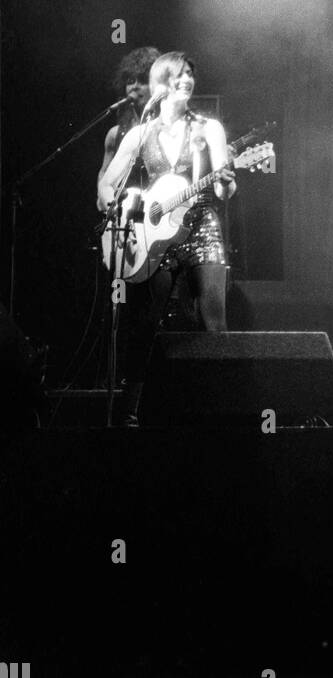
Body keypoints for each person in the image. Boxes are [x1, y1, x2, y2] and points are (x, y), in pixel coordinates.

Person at [98, 52, 236, 426]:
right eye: (179, 74)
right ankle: (128, 411)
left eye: (190, 73)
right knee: (146, 321)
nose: (187, 79)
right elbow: (107, 184)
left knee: (213, 320)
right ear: (162, 82)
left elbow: (224, 192)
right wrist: (124, 203)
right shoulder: (141, 133)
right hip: (155, 239)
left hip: (202, 226)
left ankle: (221, 411)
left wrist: (225, 182)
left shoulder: (208, 128)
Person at [96, 47, 161, 210]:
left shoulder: (165, 130)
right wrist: (104, 199)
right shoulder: (115, 134)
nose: (135, 87)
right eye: (130, 81)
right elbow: (104, 173)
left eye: (142, 81)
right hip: (123, 217)